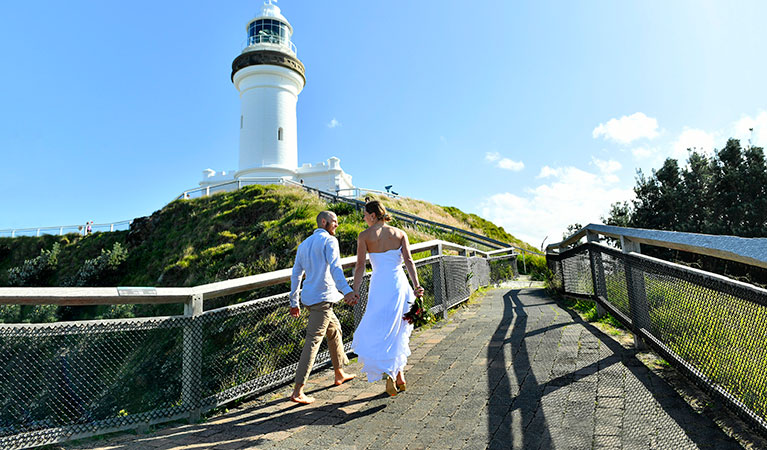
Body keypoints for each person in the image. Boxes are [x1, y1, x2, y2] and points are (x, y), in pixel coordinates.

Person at [352, 200, 424, 396]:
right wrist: (417, 285)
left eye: (365, 214)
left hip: (379, 286)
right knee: (398, 329)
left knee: (381, 328)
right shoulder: (400, 234)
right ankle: (398, 376)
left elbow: (360, 266)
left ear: (373, 215)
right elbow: (409, 261)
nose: (364, 218)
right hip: (399, 285)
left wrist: (355, 289)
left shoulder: (364, 236)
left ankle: (392, 374)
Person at [288, 211, 358, 404]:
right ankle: (298, 391)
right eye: (334, 222)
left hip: (311, 298)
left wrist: (294, 302)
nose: (336, 225)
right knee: (313, 341)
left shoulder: (304, 245)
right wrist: (347, 291)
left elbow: (296, 275)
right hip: (323, 299)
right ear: (324, 222)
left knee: (335, 330)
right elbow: (336, 267)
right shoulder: (329, 241)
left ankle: (339, 373)